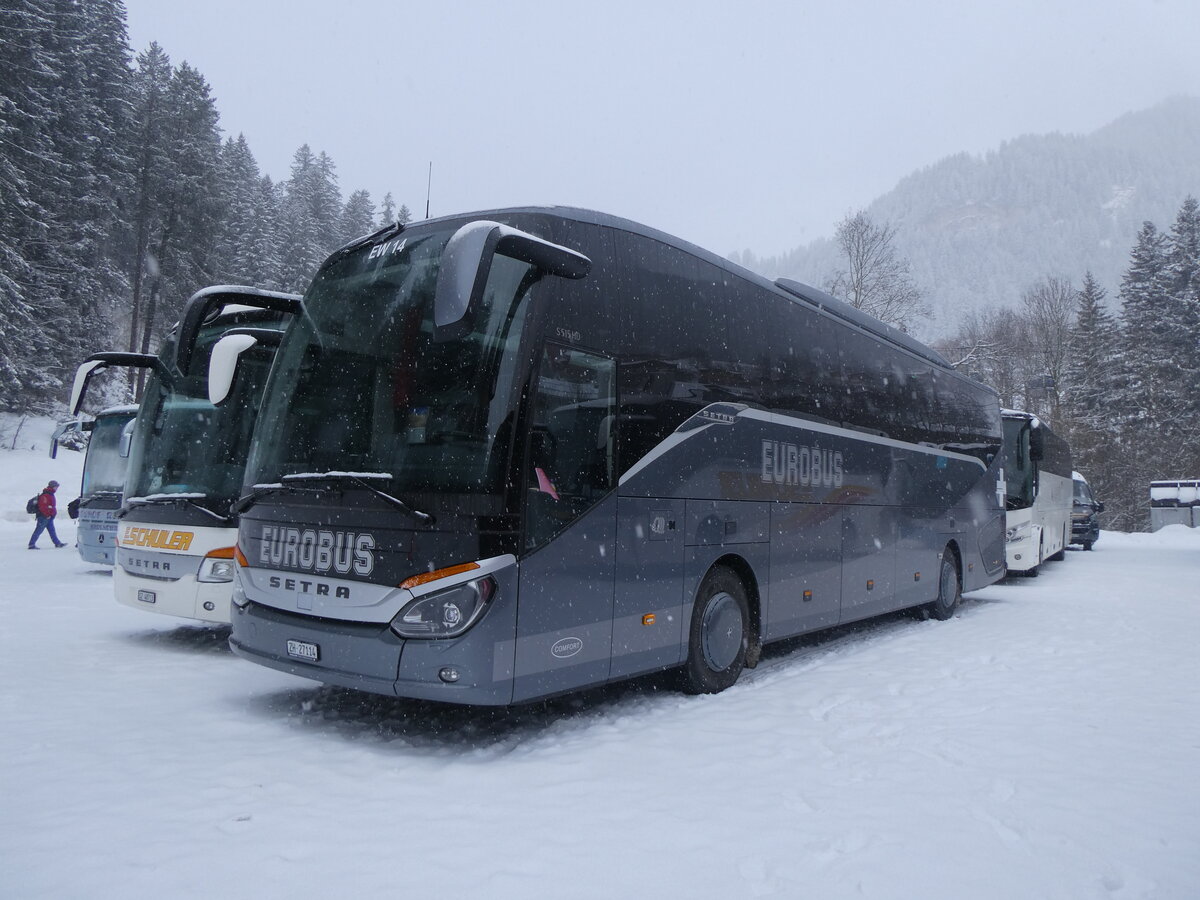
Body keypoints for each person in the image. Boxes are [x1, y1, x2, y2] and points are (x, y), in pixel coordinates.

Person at [28, 480, 68, 549]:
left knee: (52, 531)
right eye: (56, 487)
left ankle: (57, 543)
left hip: (48, 517)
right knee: (38, 530)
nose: (57, 488)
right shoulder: (46, 495)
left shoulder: (50, 494)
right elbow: (43, 507)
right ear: (52, 487)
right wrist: (47, 515)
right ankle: (31, 544)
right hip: (44, 517)